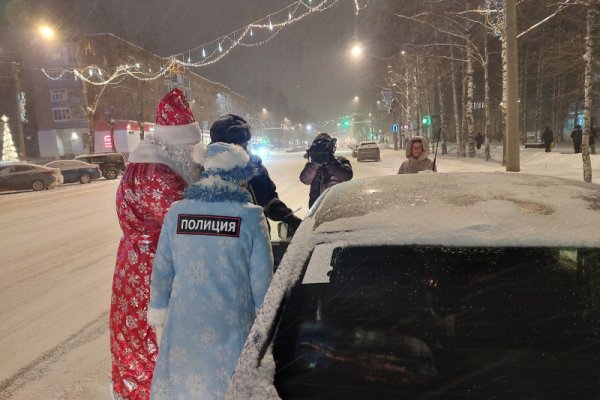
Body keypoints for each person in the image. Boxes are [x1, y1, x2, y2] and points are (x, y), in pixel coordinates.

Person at [148, 142, 273, 400]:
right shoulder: (250, 216)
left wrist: (159, 313)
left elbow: (161, 271)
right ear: (239, 176)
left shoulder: (177, 212)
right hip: (232, 323)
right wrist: (266, 329)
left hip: (184, 322)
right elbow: (262, 280)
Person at [109, 88, 202, 400]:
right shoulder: (161, 175)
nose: (191, 152)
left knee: (134, 334)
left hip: (132, 261)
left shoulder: (139, 166)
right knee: (157, 335)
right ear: (177, 142)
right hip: (154, 266)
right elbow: (185, 221)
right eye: (188, 145)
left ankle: (135, 389)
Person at [209, 114, 303, 236]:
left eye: (245, 144)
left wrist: (288, 216)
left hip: (257, 238)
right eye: (238, 146)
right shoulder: (205, 172)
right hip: (221, 242)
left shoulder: (255, 168)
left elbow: (268, 199)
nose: (244, 150)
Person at [300, 133, 353, 208]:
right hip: (317, 208)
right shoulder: (312, 165)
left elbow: (347, 176)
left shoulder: (340, 160)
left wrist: (331, 161)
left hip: (337, 206)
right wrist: (315, 164)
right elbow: (305, 180)